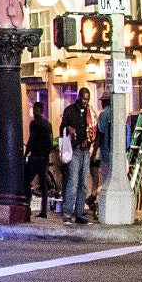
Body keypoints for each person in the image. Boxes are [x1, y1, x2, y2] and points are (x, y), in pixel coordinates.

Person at [61, 88, 95, 225]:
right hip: (74, 150)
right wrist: (68, 129)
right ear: (79, 97)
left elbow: (94, 129)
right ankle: (68, 212)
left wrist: (90, 140)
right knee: (73, 182)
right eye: (83, 98)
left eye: (87, 99)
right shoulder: (70, 111)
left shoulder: (90, 113)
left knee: (84, 183)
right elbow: (62, 128)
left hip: (86, 151)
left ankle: (80, 213)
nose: (85, 101)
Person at [24, 102, 56, 217]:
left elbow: (31, 140)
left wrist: (26, 153)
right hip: (43, 157)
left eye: (36, 110)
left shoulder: (34, 124)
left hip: (36, 157)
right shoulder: (48, 124)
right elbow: (51, 141)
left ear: (40, 111)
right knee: (43, 185)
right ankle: (43, 211)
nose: (34, 112)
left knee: (26, 181)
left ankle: (28, 206)